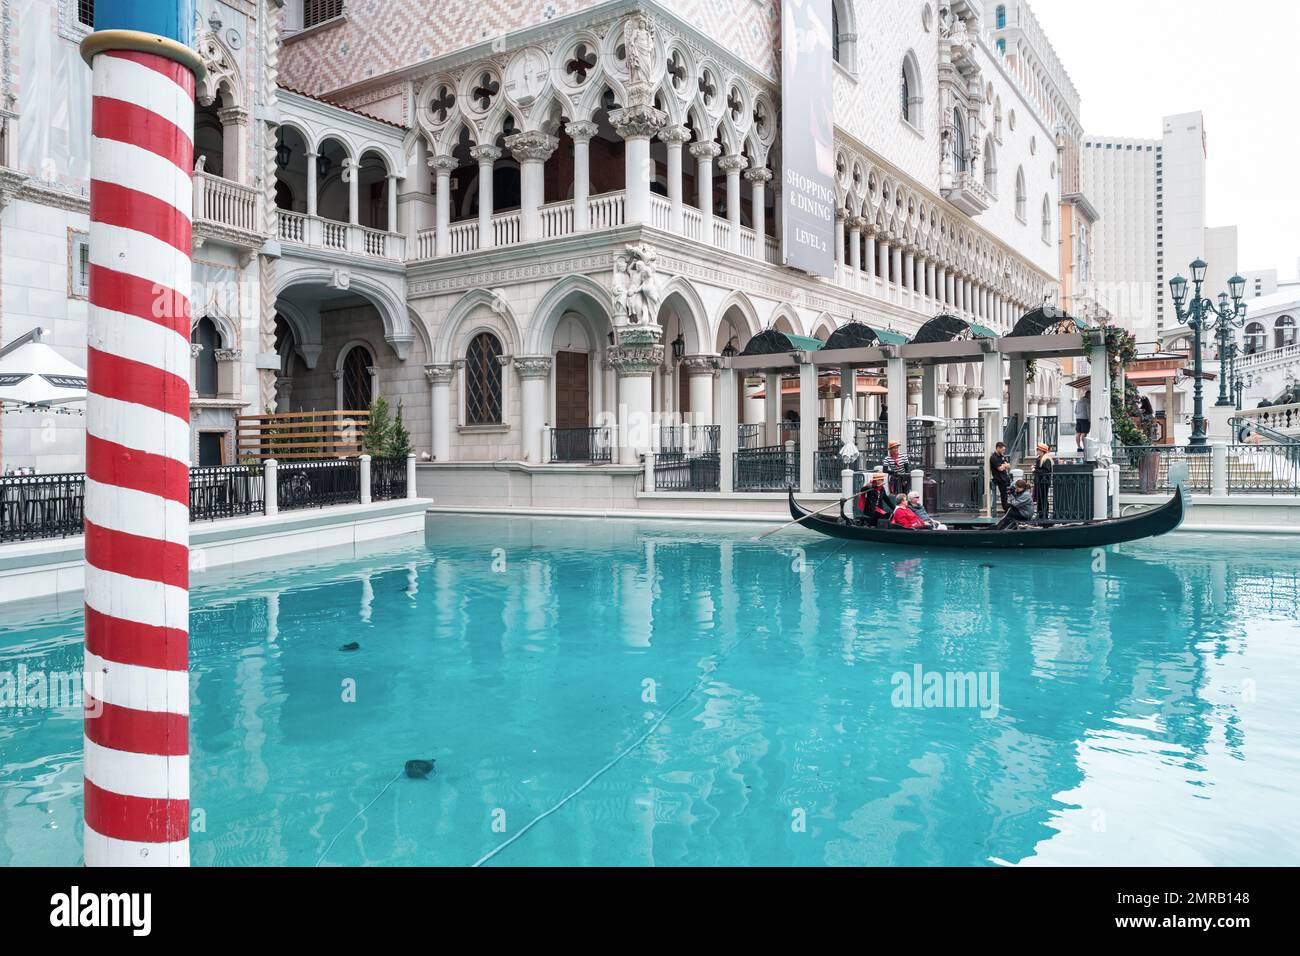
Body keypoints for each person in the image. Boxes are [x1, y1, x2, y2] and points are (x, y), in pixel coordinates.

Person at [1033, 442, 1054, 520]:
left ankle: (1044, 514)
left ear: (1041, 450)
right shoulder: (1040, 458)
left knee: (1043, 498)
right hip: (1040, 482)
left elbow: (1046, 471)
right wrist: (1035, 468)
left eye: (1038, 449)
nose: (1037, 451)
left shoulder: (1046, 459)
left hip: (1043, 482)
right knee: (1040, 498)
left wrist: (1035, 470)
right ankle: (1040, 513)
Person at [989, 440, 1011, 510]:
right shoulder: (993, 457)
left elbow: (1009, 465)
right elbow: (1000, 468)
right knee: (1003, 495)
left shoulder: (1002, 456)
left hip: (1005, 478)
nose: (1003, 451)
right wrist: (1005, 465)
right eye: (1002, 449)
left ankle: (1008, 507)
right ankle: (1006, 509)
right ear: (998, 448)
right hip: (999, 479)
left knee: (1008, 493)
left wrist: (1004, 465)